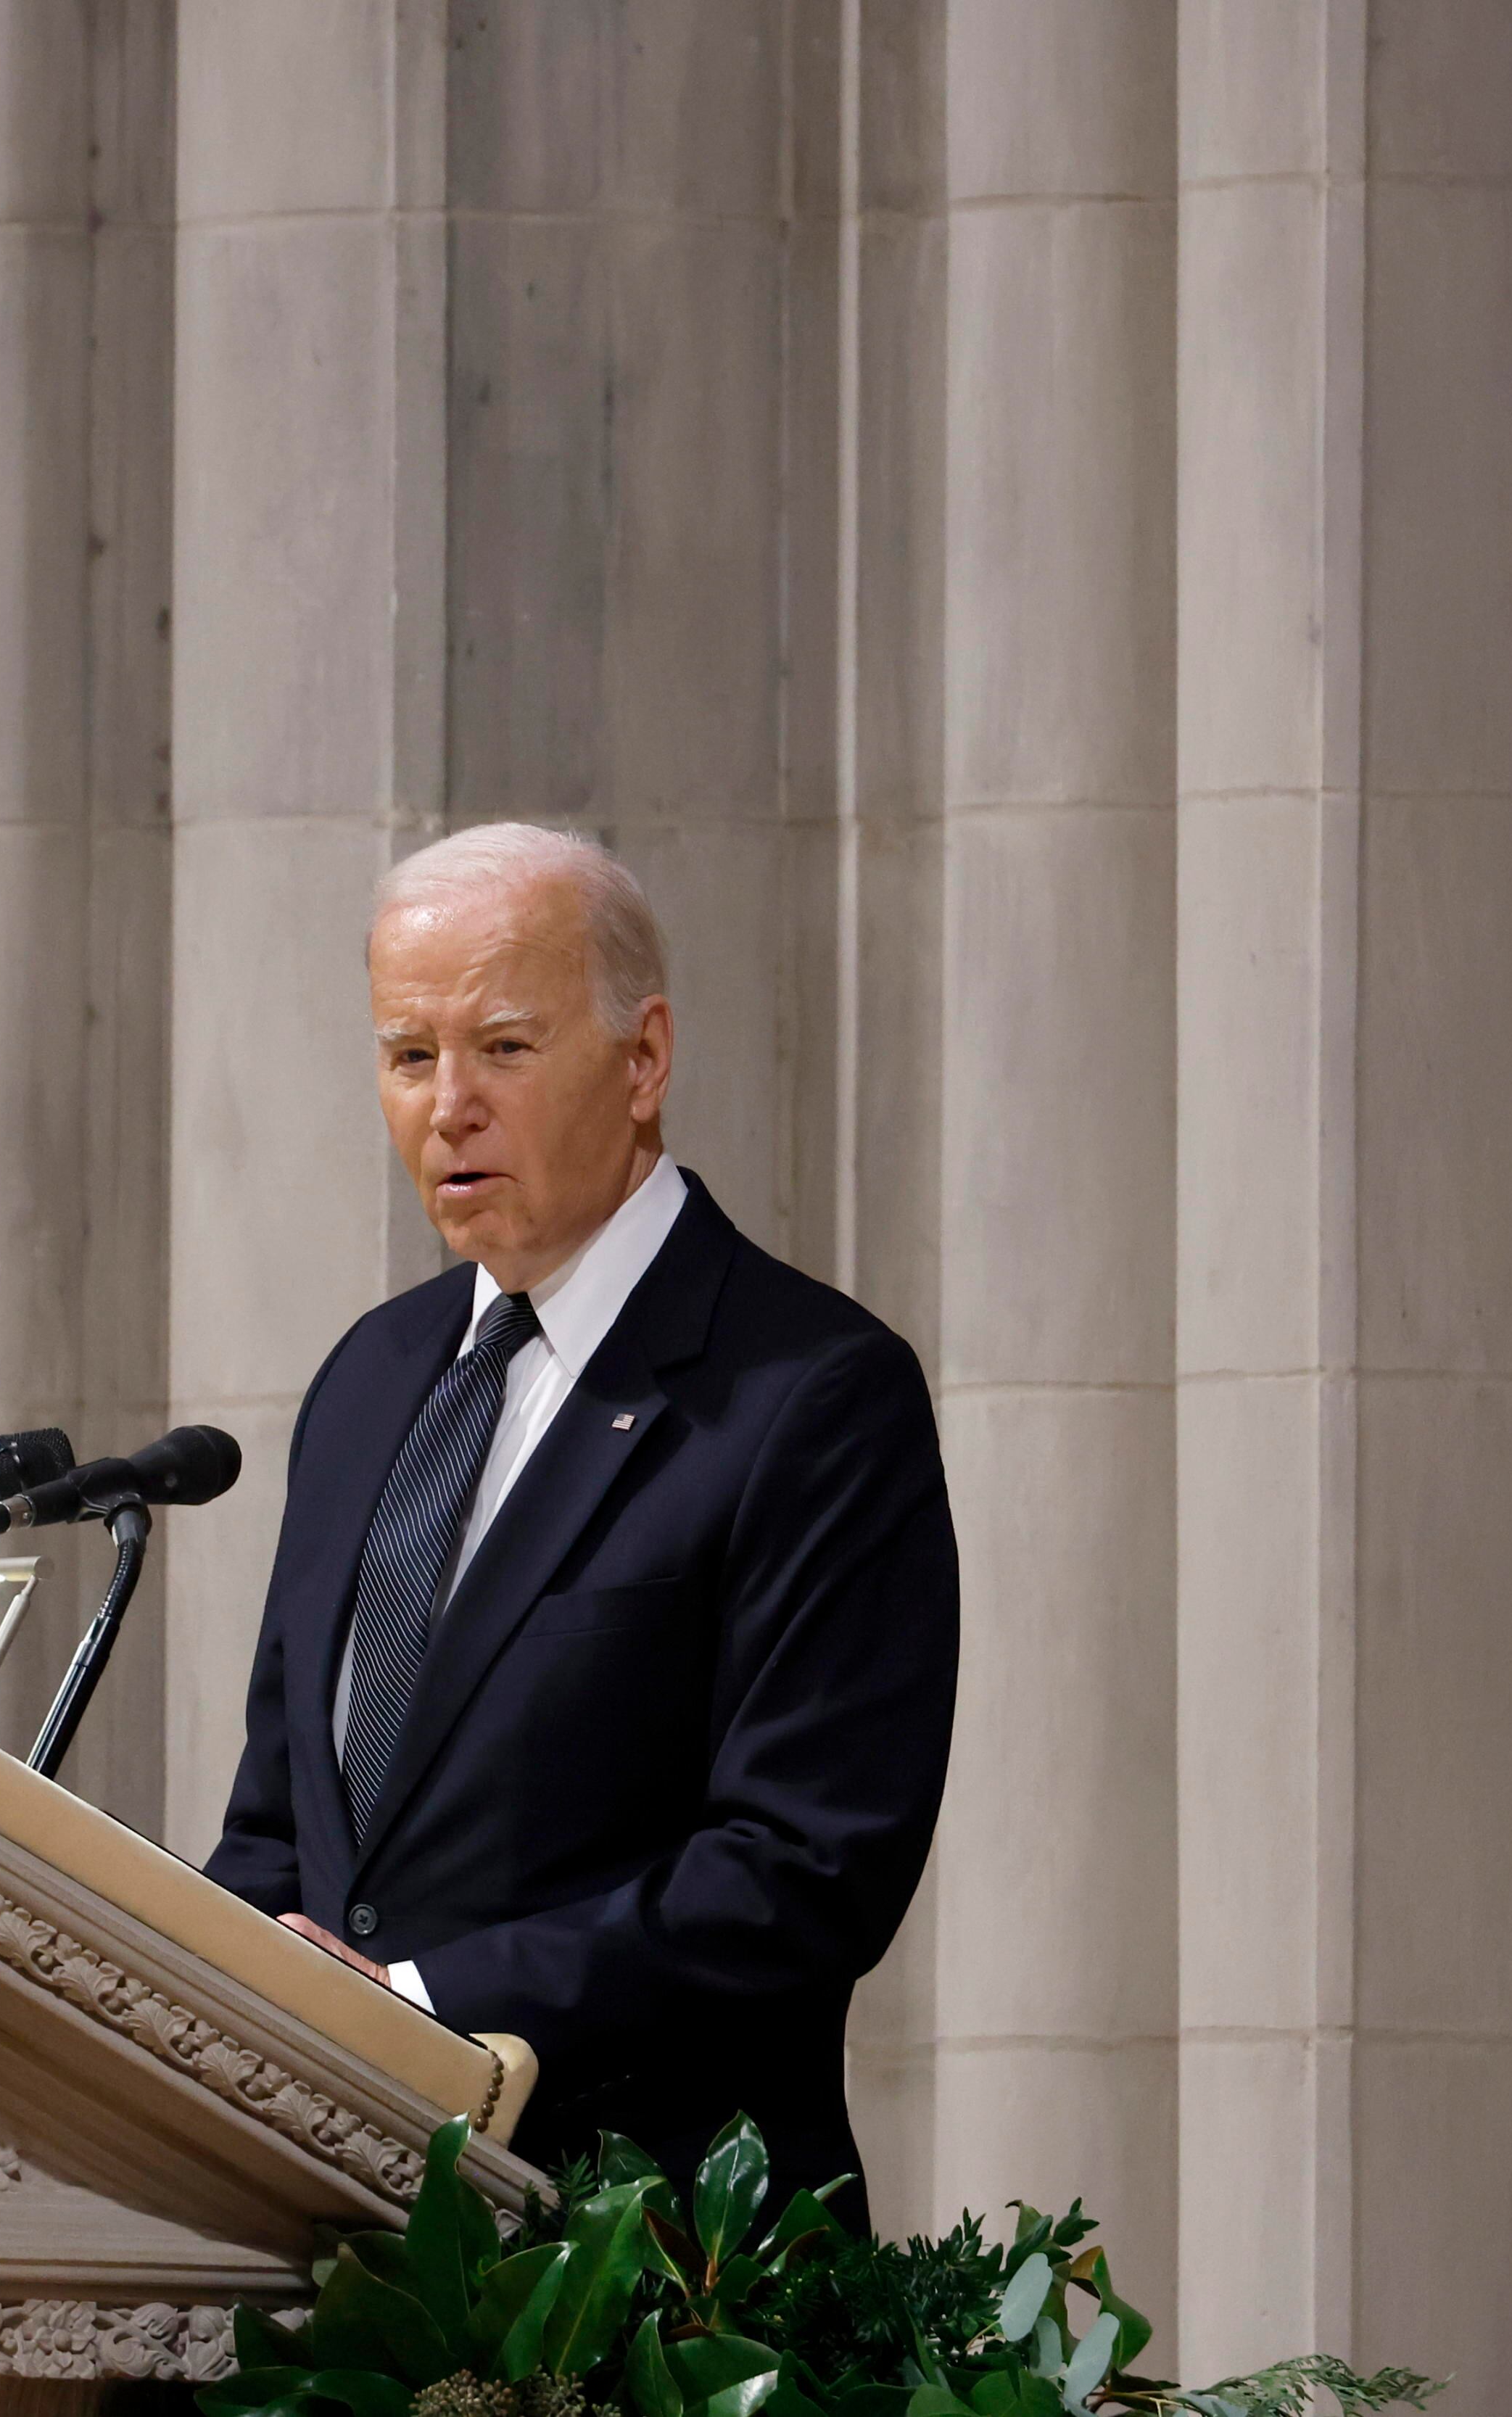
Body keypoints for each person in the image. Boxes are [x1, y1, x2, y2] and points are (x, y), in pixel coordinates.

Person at [203, 822, 960, 2205]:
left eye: (502, 1045)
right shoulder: (369, 1378)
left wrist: (419, 2007)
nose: (450, 1105)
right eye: (409, 1055)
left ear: (644, 1058)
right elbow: (282, 1830)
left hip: (656, 2246)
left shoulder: (809, 1392)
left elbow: (803, 1869)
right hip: (338, 2242)